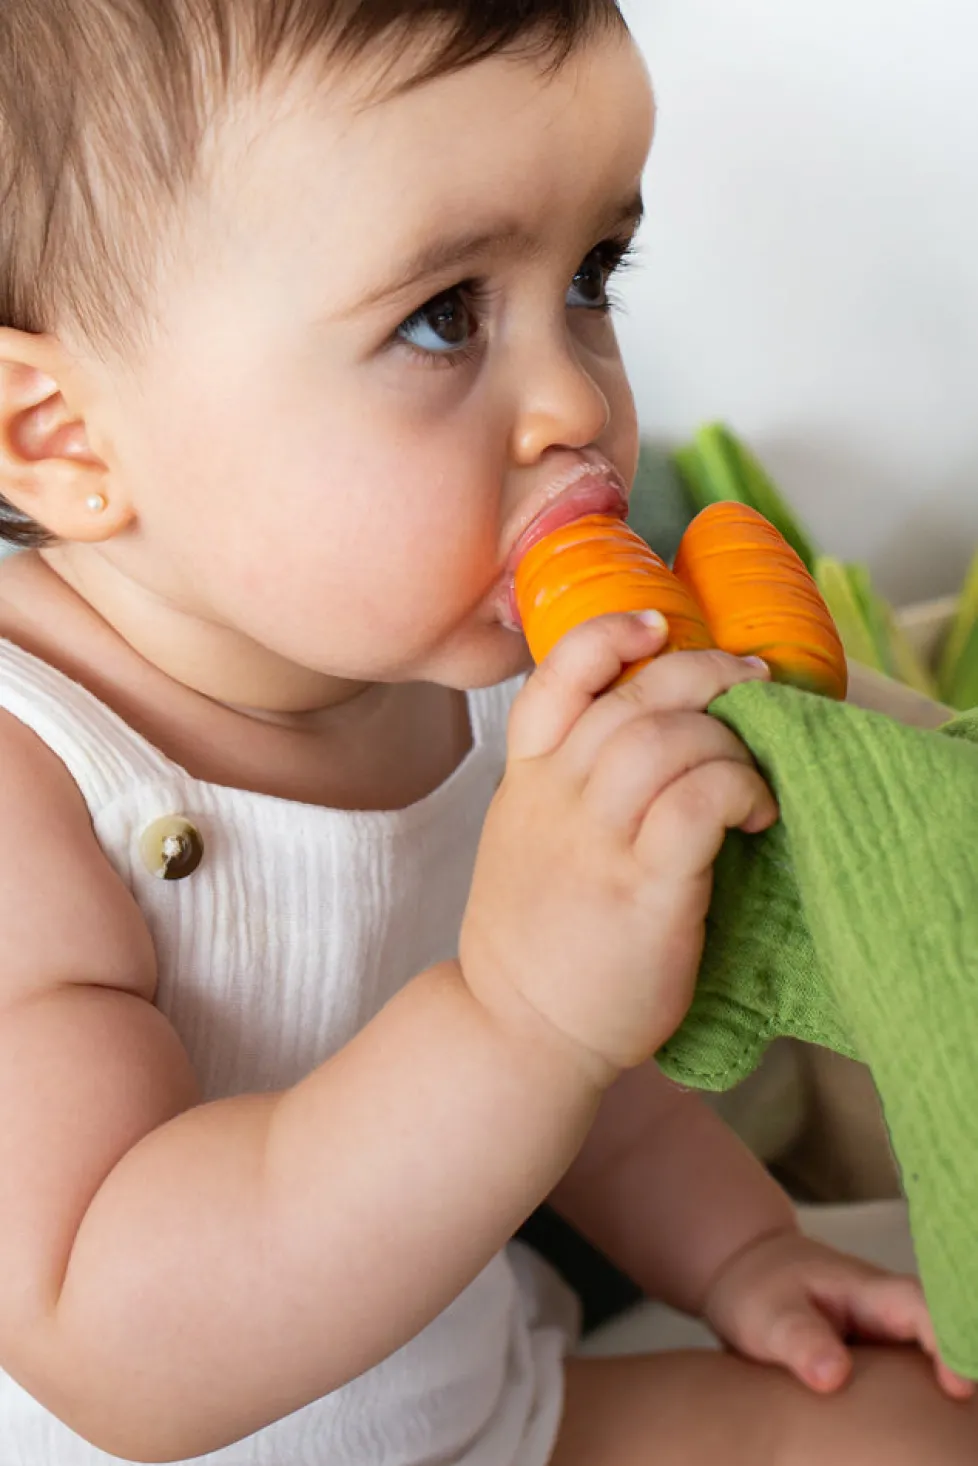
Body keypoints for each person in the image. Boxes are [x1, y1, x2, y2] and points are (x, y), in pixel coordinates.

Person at [0, 3, 973, 1463]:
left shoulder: (476, 669)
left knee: (915, 1422)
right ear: (67, 439)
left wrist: (736, 1255)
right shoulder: (37, 781)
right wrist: (520, 1018)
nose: (578, 400)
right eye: (442, 314)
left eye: (590, 276)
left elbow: (599, 1082)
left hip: (489, 1413)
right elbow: (113, 1341)